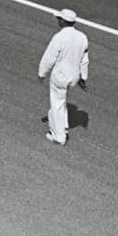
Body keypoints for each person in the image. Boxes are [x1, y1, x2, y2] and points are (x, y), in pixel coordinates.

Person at [38, 9, 89, 145]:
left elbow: (49, 58)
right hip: (74, 77)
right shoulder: (82, 37)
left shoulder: (59, 37)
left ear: (63, 21)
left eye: (59, 19)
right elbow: (84, 59)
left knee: (56, 104)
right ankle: (64, 127)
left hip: (60, 77)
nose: (57, 21)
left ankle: (59, 136)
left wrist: (42, 73)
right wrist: (83, 78)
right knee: (61, 102)